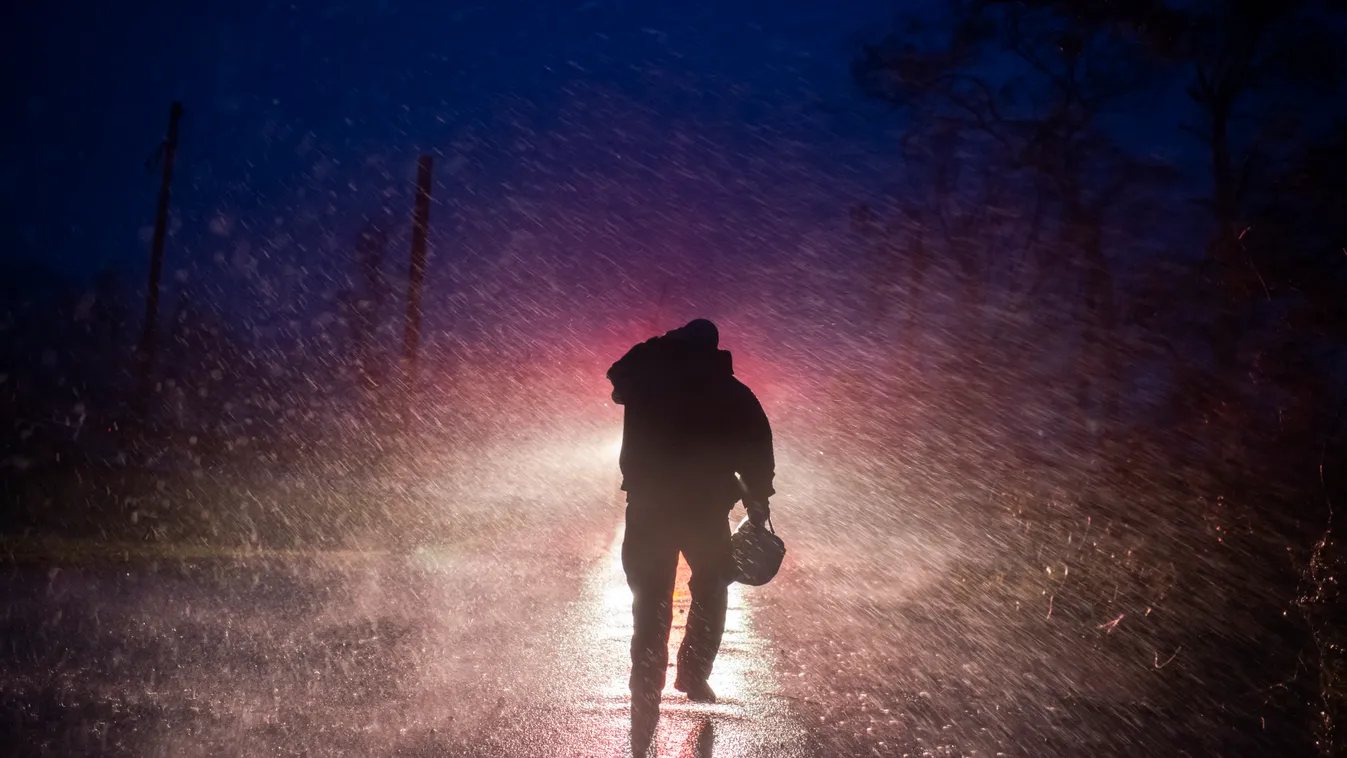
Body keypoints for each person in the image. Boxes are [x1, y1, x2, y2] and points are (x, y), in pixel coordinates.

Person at [607, 318, 775, 711]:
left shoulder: (647, 383)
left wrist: (659, 343)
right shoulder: (731, 392)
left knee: (650, 596)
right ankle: (695, 675)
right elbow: (757, 448)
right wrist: (758, 500)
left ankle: (647, 682)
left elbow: (618, 376)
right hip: (706, 510)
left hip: (650, 507)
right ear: (714, 350)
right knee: (711, 591)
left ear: (676, 343)